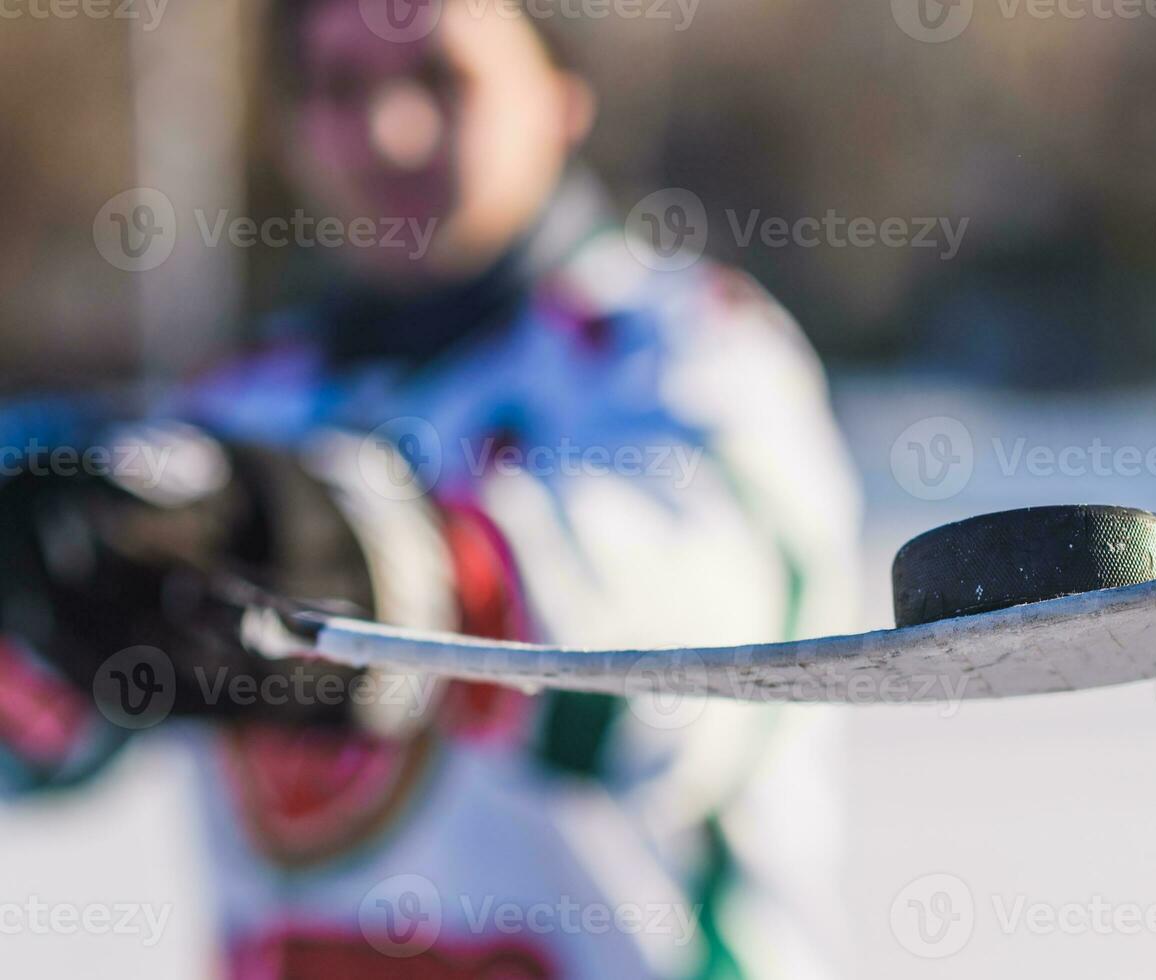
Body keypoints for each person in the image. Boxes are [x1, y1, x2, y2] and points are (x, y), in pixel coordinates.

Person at [0, 0, 861, 976]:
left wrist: (398, 571)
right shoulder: (234, 408)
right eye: (339, 88)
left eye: (441, 78)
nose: (386, 129)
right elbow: (43, 744)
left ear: (562, 95)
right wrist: (40, 592)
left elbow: (711, 661)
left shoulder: (681, 349)